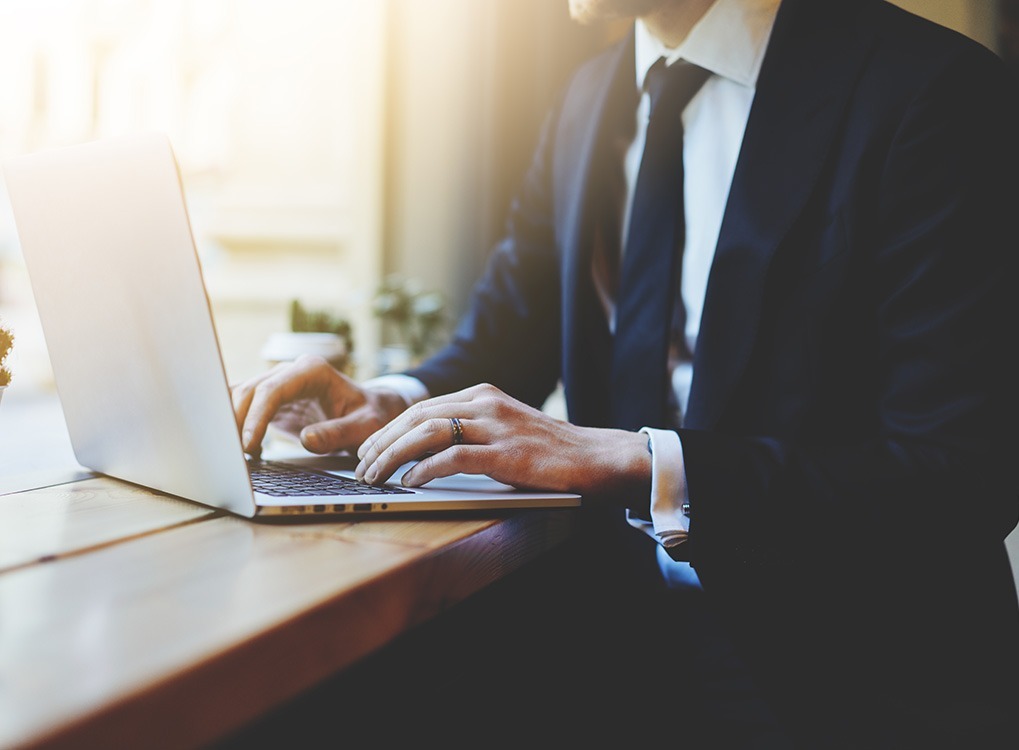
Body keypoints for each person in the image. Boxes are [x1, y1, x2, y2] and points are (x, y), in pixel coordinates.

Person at [232, 0, 1019, 746]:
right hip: (607, 636)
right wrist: (388, 399)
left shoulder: (933, 92)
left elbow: (961, 478)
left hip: (844, 678)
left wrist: (637, 462)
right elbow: (501, 341)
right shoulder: (588, 96)